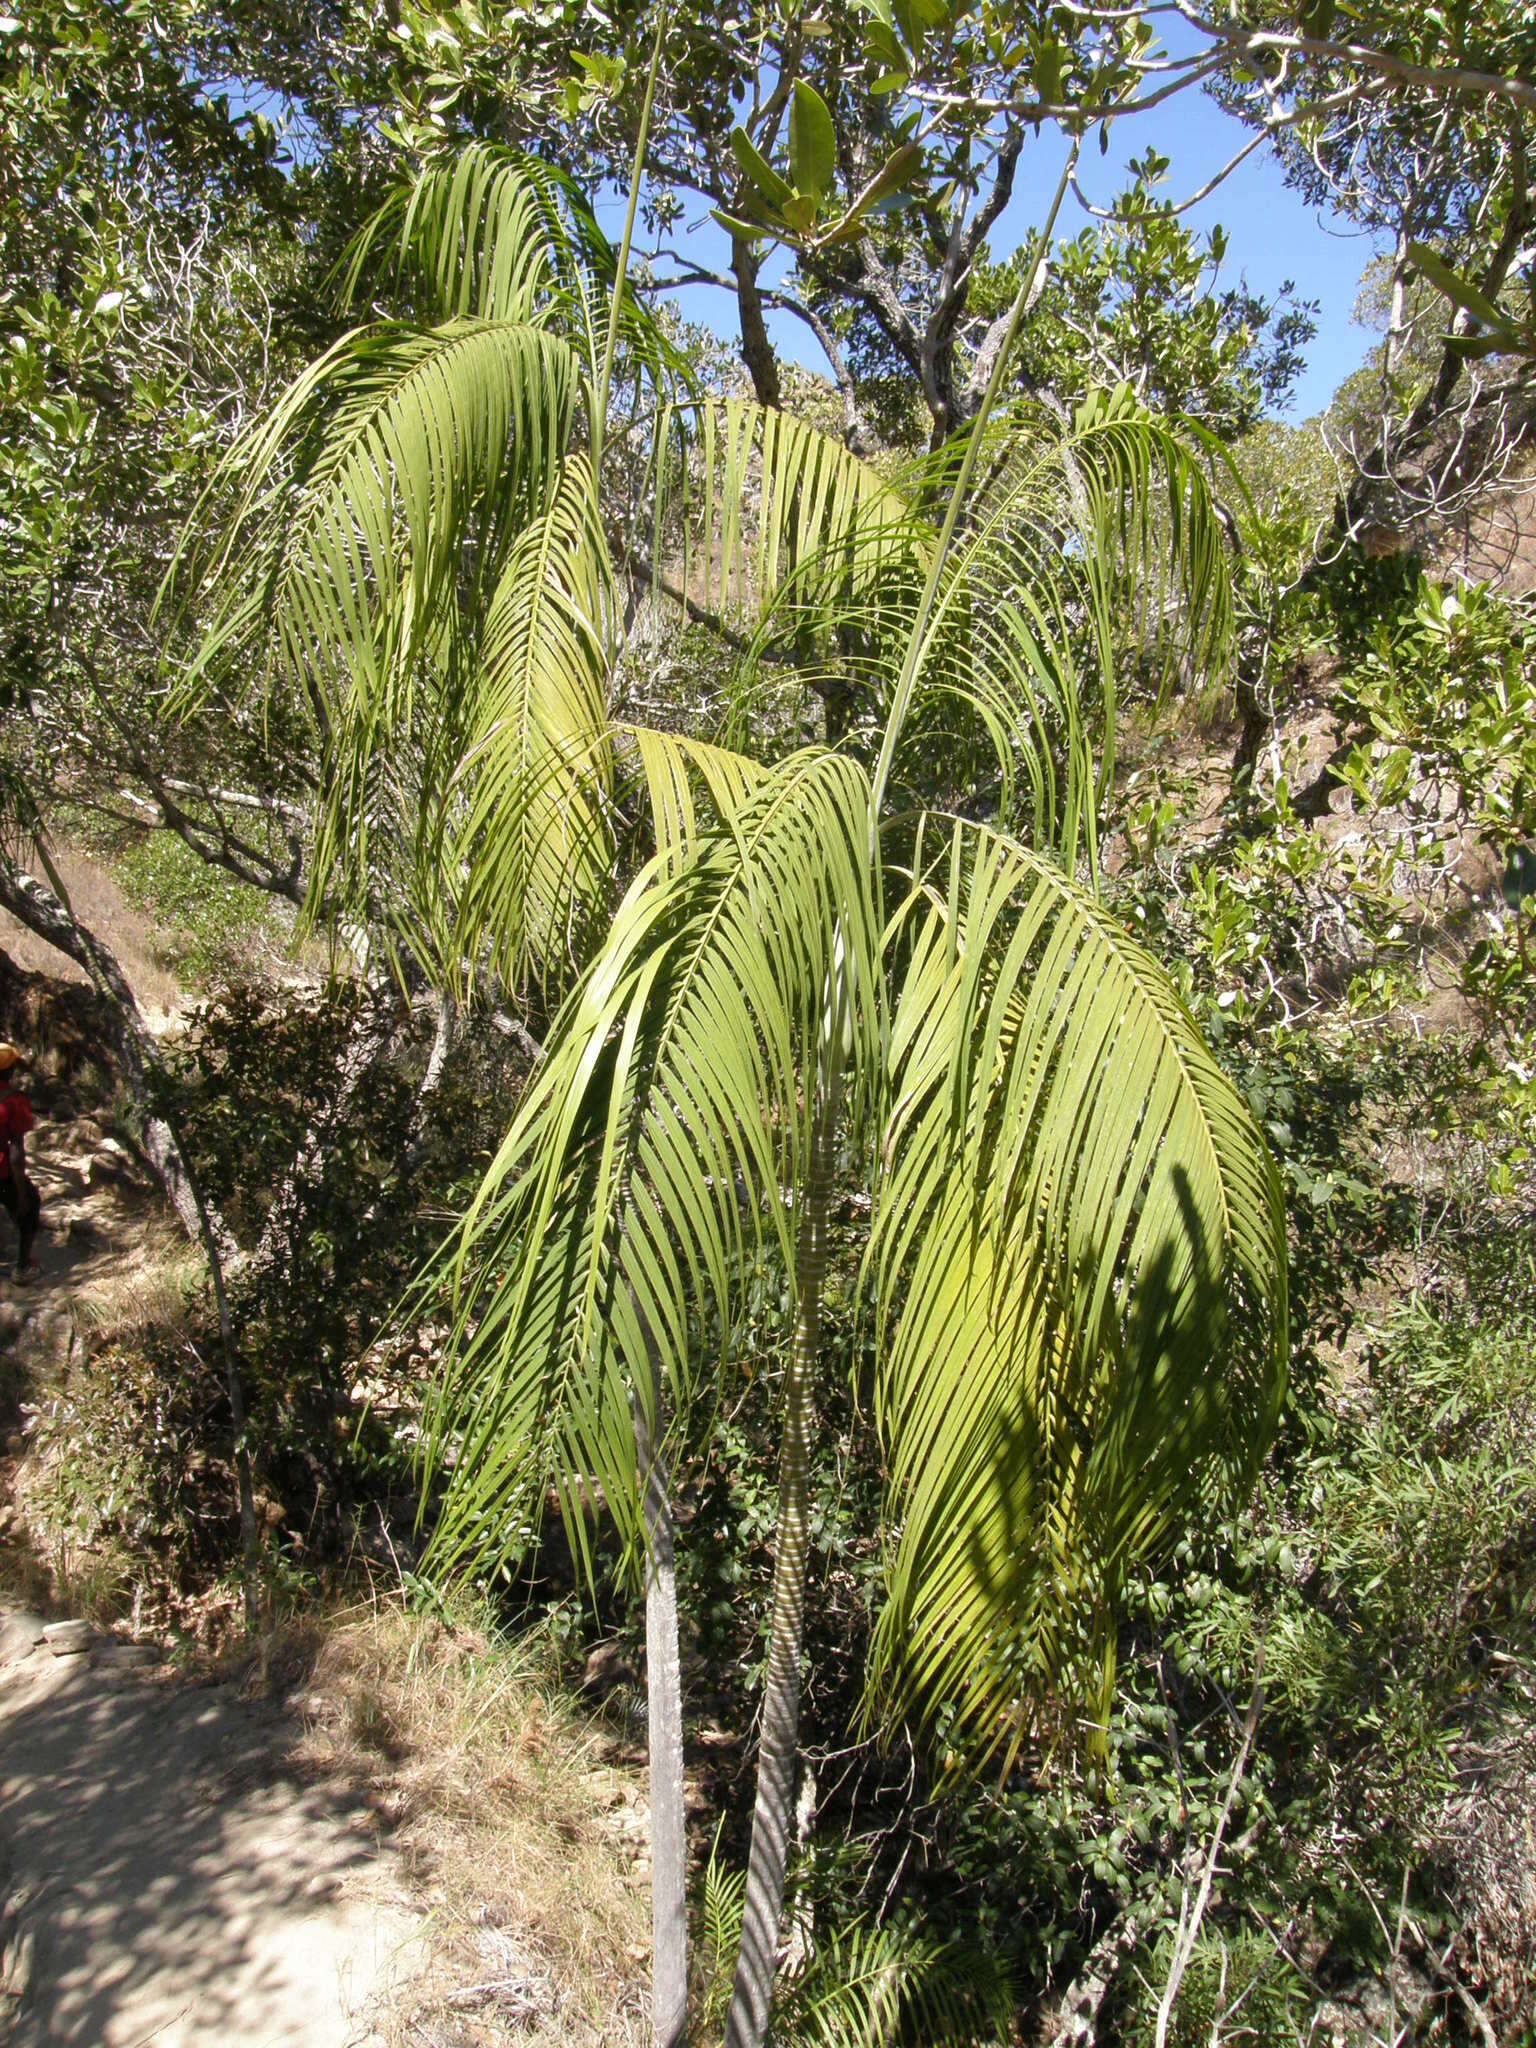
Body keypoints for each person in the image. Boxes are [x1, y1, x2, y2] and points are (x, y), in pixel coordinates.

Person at [0, 1043, 41, 1283]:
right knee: (30, 1208)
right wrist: (22, 1192)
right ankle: (23, 1268)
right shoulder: (15, 1101)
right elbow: (16, 1151)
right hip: (3, 1171)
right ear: (10, 1070)